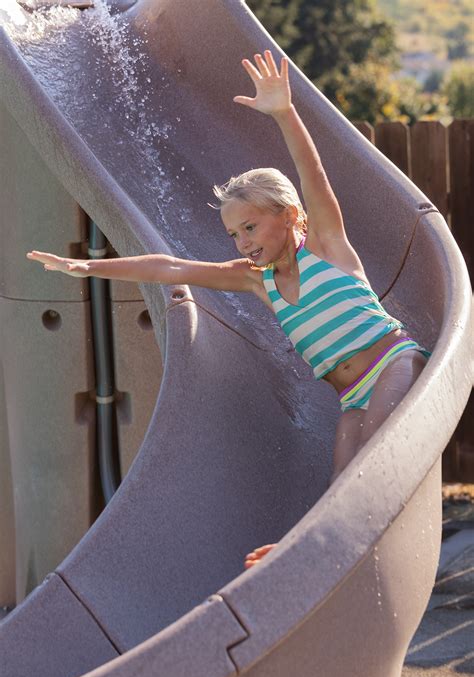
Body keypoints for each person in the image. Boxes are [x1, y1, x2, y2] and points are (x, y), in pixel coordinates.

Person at [27, 50, 430, 570]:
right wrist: (88, 269)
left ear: (289, 217)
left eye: (251, 227)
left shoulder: (328, 247)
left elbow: (314, 174)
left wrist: (284, 112)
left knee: (376, 453)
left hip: (395, 361)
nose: (243, 242)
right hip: (351, 394)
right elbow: (172, 268)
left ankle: (315, 552)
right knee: (342, 484)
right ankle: (307, 555)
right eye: (234, 234)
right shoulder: (255, 282)